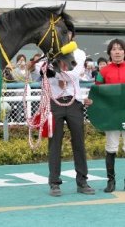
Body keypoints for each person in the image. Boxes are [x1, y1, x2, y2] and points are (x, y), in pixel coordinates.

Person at [34, 30, 95, 196]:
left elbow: (74, 74)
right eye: (60, 32)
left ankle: (82, 181)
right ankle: (54, 183)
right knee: (54, 143)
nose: (63, 36)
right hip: (54, 103)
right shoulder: (49, 53)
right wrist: (48, 71)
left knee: (79, 142)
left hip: (74, 102)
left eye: (66, 33)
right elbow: (39, 68)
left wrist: (53, 73)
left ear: (72, 36)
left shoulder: (78, 53)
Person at [95, 38, 125, 193]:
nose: (117, 51)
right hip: (111, 116)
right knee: (111, 148)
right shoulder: (103, 72)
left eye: (120, 49)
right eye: (114, 49)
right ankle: (111, 182)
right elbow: (97, 92)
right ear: (110, 53)